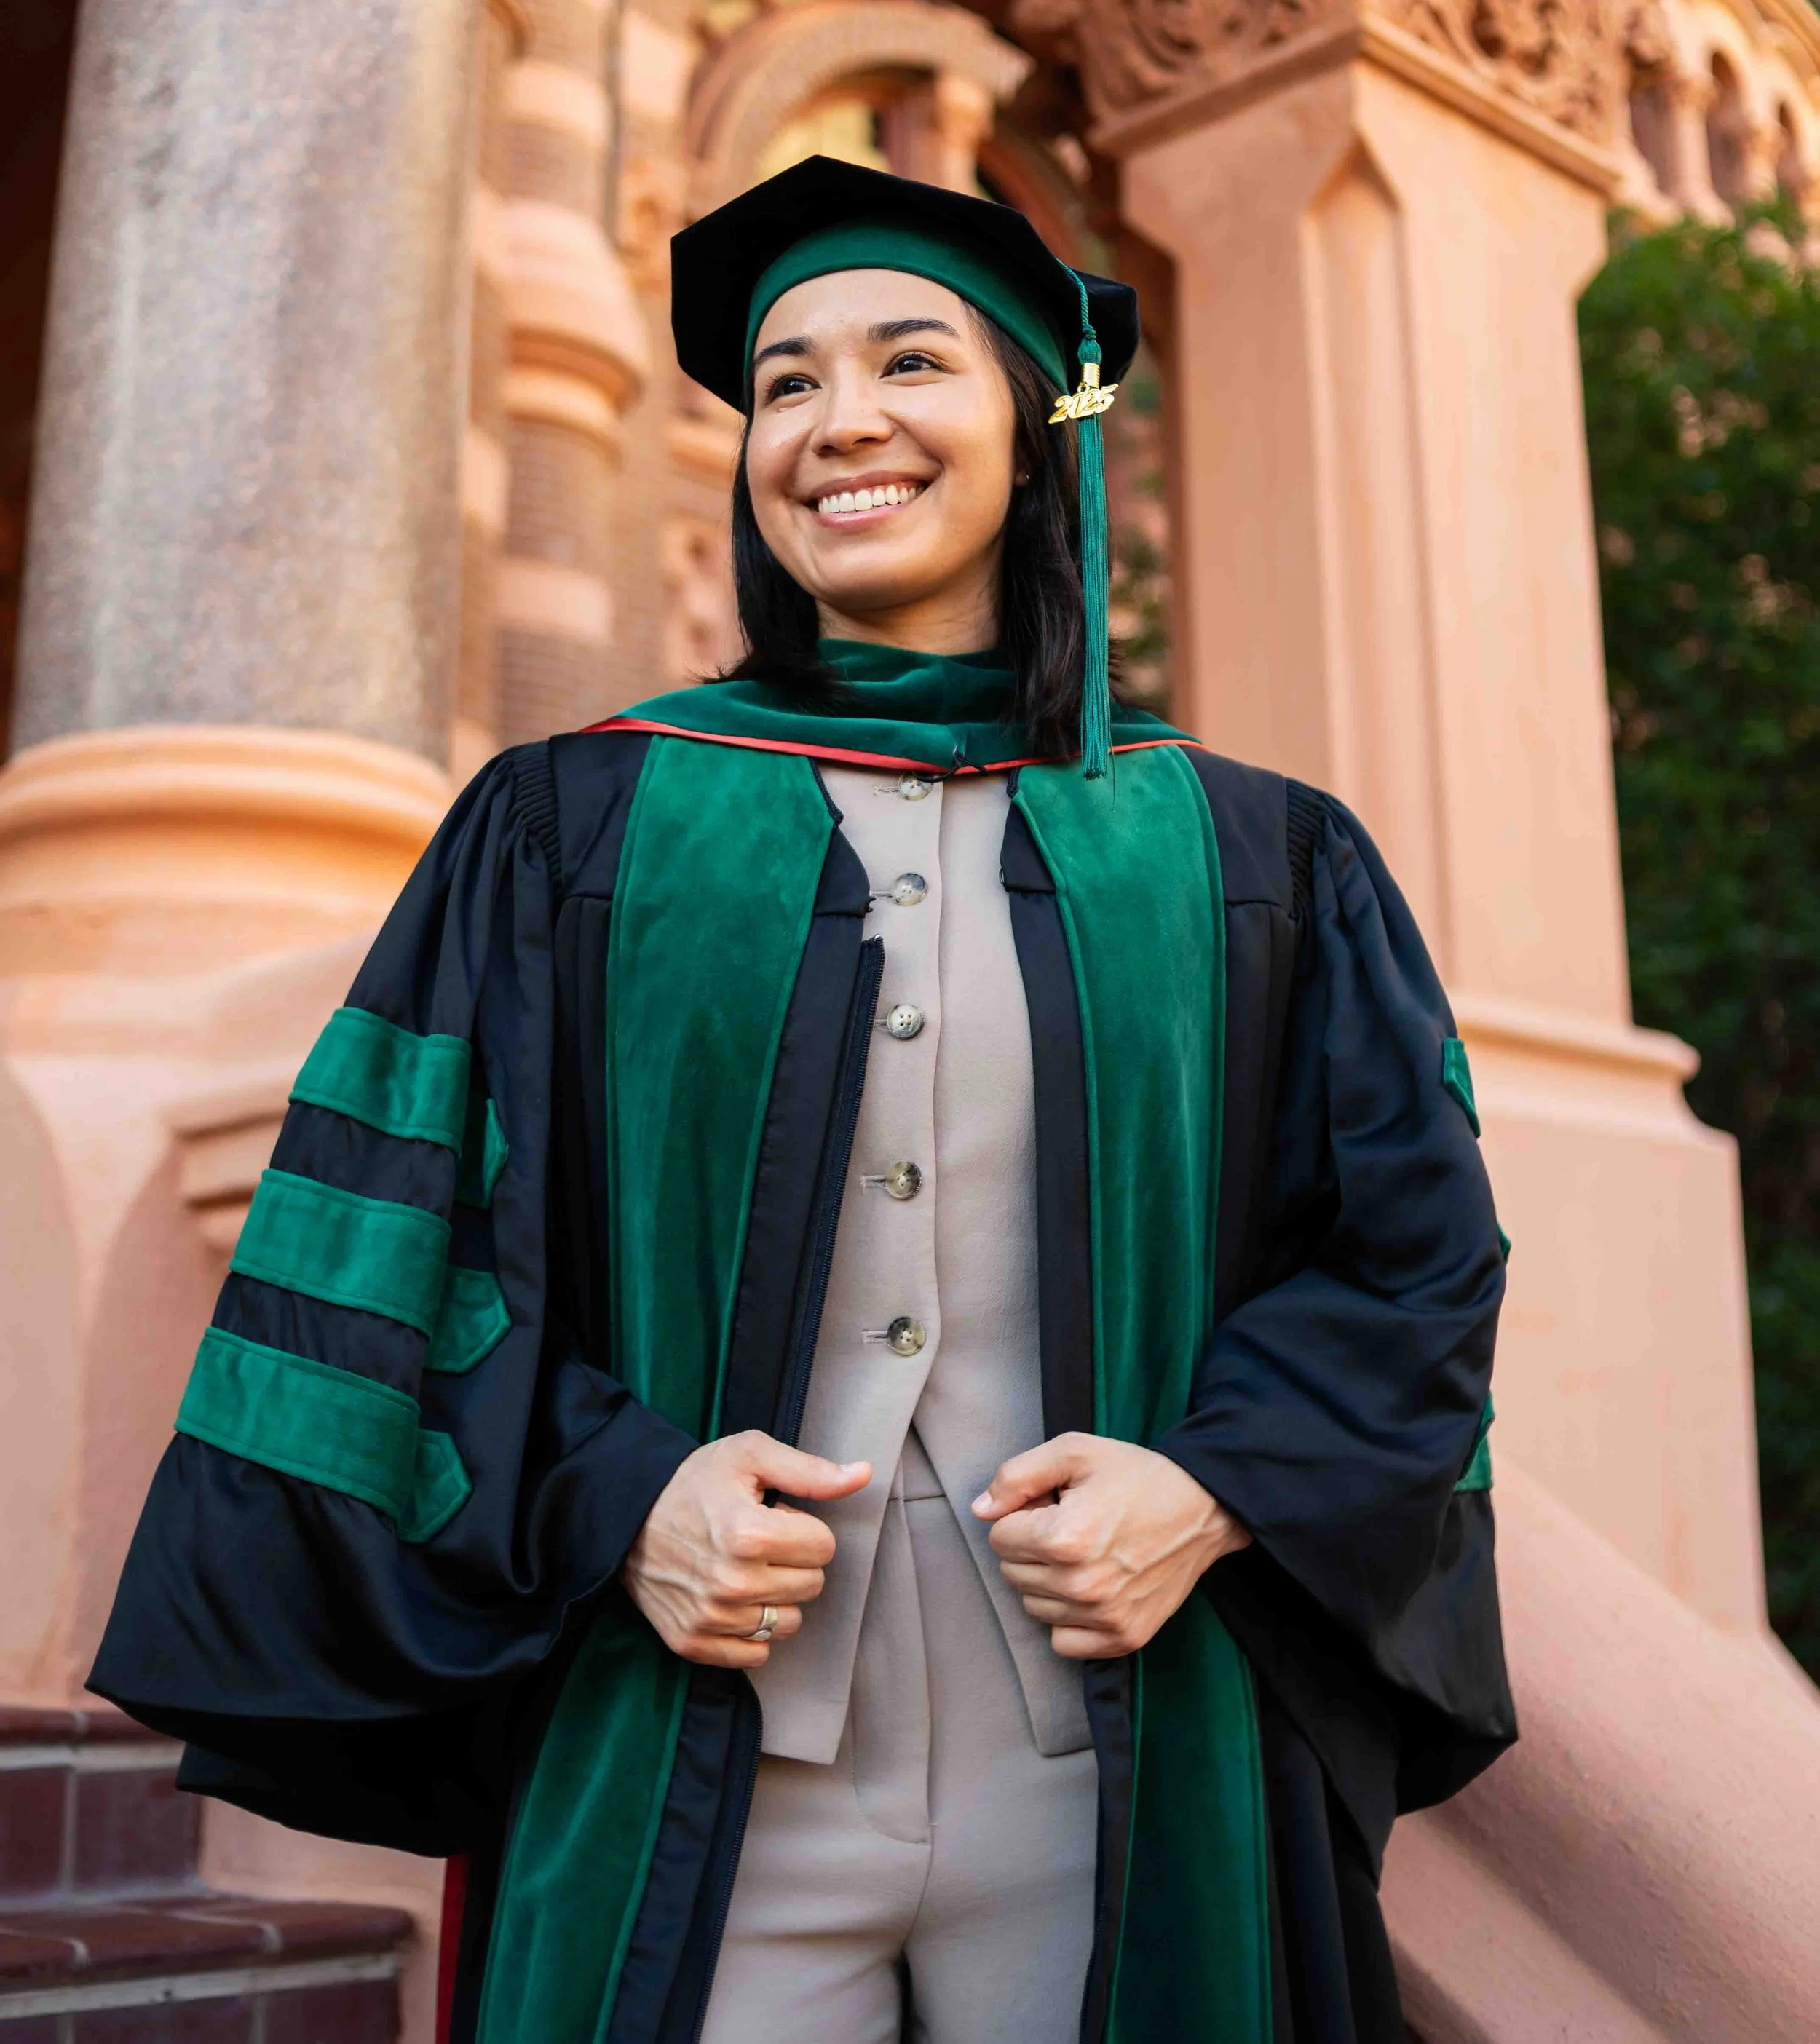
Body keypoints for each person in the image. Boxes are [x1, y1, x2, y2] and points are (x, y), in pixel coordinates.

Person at [93, 155, 1515, 2044]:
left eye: (909, 360)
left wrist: (1215, 1486)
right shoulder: (571, 825)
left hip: (1114, 1747)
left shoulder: (1249, 852)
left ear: (1034, 422)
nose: (839, 420)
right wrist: (621, 1495)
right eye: (782, 379)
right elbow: (399, 1248)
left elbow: (1410, 1247)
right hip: (693, 1722)